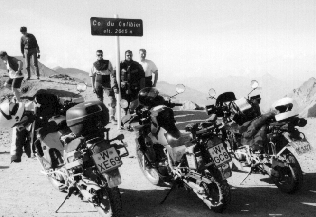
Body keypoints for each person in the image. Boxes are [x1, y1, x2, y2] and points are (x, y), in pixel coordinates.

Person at [90, 50, 118, 124]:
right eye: (98, 55)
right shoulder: (94, 64)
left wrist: (113, 84)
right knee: (99, 101)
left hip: (107, 83)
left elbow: (112, 74)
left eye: (101, 55)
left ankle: (112, 117)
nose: (100, 56)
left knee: (112, 99)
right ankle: (101, 119)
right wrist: (93, 87)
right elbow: (92, 76)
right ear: (96, 56)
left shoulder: (108, 63)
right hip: (98, 83)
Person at [120, 50, 145, 114]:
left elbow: (142, 77)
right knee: (124, 104)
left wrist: (142, 88)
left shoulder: (137, 65)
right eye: (127, 55)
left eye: (130, 55)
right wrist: (115, 86)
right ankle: (126, 116)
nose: (129, 56)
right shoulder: (120, 64)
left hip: (134, 88)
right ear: (125, 56)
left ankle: (130, 113)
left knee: (134, 103)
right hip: (124, 88)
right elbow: (114, 76)